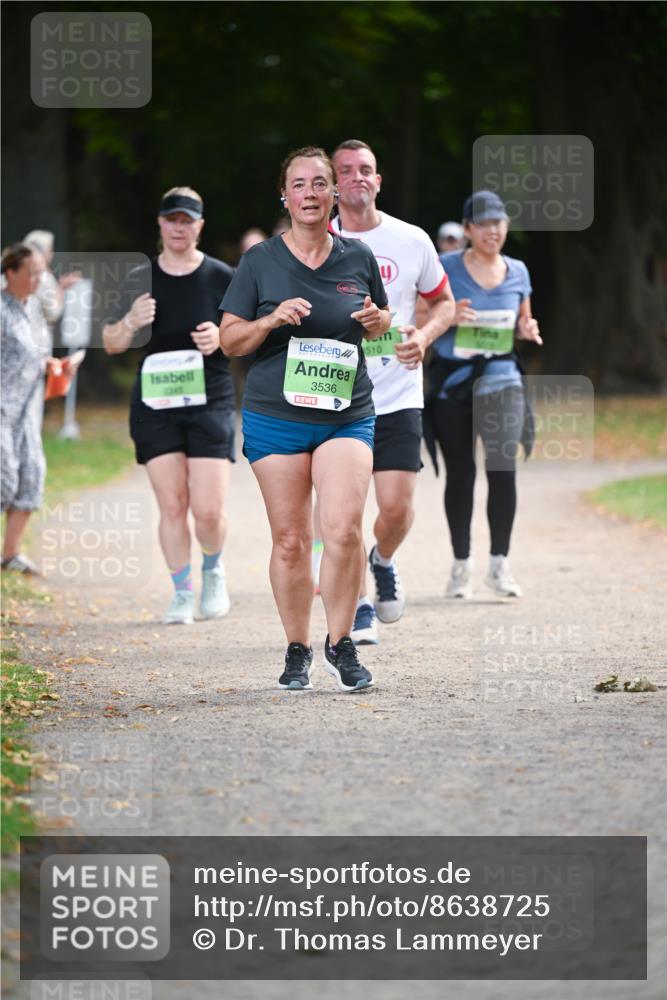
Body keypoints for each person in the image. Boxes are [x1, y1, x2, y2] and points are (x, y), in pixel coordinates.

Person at [219, 146, 390, 692]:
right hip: (276, 417)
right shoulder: (260, 261)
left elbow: (379, 322)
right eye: (300, 184)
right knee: (291, 540)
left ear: (333, 193)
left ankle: (341, 644)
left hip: (346, 413)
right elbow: (229, 340)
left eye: (320, 183)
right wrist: (269, 320)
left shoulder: (358, 256)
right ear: (285, 196)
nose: (311, 193)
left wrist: (378, 320)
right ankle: (296, 648)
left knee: (342, 529)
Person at [327, 139, 455, 644]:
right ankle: (359, 606)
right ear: (333, 183)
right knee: (346, 511)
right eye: (346, 171)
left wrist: (423, 337)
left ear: (378, 181)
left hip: (398, 392)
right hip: (336, 396)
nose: (357, 177)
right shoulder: (312, 241)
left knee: (397, 508)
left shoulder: (412, 240)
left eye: (367, 170)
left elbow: (443, 302)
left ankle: (383, 560)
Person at [102, 187, 236, 624]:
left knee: (208, 509)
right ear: (160, 224)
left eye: (188, 220)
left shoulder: (222, 275)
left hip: (210, 398)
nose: (179, 227)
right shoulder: (137, 277)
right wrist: (129, 322)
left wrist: (221, 338)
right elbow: (110, 343)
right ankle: (182, 592)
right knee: (173, 504)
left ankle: (213, 570)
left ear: (200, 226)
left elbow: (248, 337)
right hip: (156, 403)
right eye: (172, 219)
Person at [427, 190, 542, 599]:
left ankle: (500, 564)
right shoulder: (444, 267)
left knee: (502, 469)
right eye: (483, 224)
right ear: (468, 229)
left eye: (499, 223)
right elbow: (421, 316)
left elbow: (522, 320)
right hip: (454, 385)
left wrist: (526, 331)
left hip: (502, 381)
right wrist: (449, 315)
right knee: (460, 473)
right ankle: (461, 565)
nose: (492, 230)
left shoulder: (519, 271)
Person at [1, 244, 62, 573]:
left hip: (26, 409)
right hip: (1, 408)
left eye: (42, 272)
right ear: (10, 273)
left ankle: (10, 555)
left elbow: (33, 352)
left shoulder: (33, 308)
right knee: (4, 478)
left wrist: (51, 365)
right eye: (32, 273)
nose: (39, 279)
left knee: (31, 474)